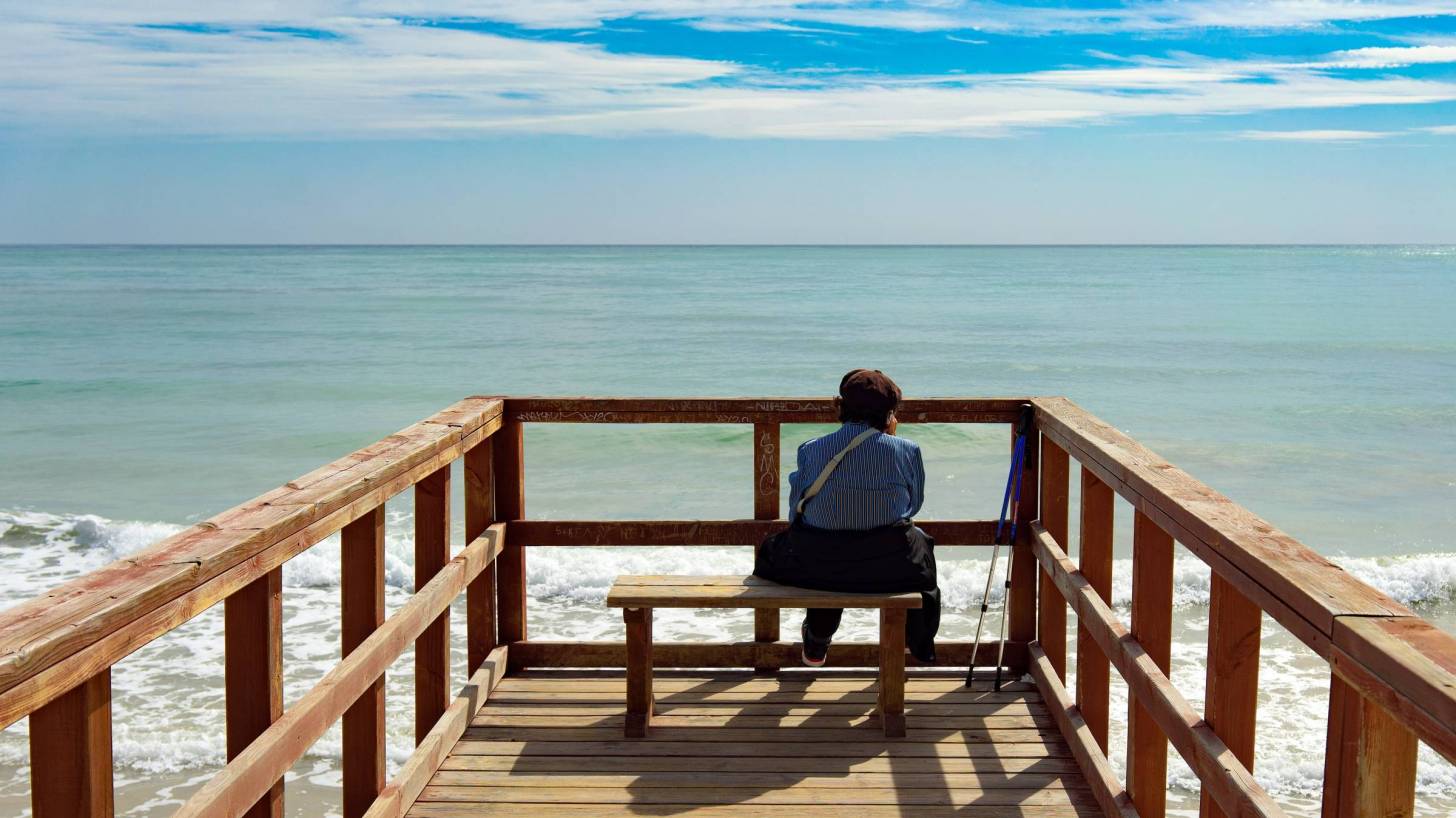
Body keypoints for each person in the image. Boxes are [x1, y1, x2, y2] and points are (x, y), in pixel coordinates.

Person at [753, 369, 941, 667]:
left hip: (818, 565)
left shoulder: (811, 449)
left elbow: (796, 512)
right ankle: (919, 645)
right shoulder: (906, 450)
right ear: (890, 414)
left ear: (839, 406)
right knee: (921, 546)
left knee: (816, 546)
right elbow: (912, 506)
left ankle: (817, 638)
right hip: (885, 566)